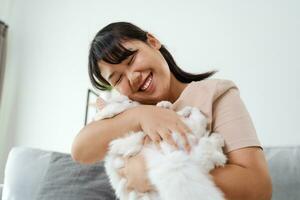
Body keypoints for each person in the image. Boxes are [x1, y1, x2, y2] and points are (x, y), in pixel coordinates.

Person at [71, 21, 272, 200]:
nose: (132, 78)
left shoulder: (214, 94)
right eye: (117, 79)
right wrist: (140, 116)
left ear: (153, 41)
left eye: (131, 60)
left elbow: (259, 187)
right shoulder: (128, 112)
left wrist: (155, 173)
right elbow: (80, 151)